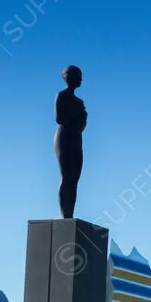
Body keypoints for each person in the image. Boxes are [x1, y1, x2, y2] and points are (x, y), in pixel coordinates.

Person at [55, 66, 87, 219]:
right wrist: (78, 115)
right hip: (65, 137)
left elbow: (83, 123)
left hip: (76, 138)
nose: (81, 79)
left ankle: (70, 214)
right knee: (66, 176)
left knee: (74, 178)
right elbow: (59, 118)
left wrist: (82, 118)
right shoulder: (62, 96)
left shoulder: (79, 101)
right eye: (78, 75)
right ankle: (65, 215)